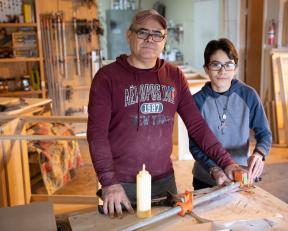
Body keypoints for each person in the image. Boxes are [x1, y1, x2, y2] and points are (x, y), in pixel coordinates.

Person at [87, 10, 242, 218]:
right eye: (142, 32)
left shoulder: (174, 76)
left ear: (164, 40)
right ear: (129, 34)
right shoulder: (107, 77)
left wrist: (226, 162)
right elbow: (97, 134)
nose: (150, 39)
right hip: (120, 185)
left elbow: (197, 126)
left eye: (157, 34)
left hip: (164, 182)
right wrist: (108, 181)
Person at [189, 38, 272, 190]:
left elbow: (265, 134)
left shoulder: (248, 95)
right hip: (205, 177)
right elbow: (195, 146)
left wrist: (259, 154)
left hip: (239, 176)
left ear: (236, 68)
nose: (222, 71)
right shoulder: (196, 102)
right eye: (216, 65)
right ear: (206, 69)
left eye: (228, 65)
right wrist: (214, 169)